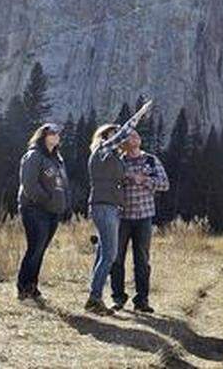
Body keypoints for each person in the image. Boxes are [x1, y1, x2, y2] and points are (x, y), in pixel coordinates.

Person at [85, 100, 152, 315]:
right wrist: (139, 115)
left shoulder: (112, 158)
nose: (119, 138)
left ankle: (94, 296)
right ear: (106, 137)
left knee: (104, 253)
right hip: (104, 207)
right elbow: (124, 132)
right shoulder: (103, 151)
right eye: (113, 134)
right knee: (110, 255)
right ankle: (95, 299)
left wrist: (135, 177)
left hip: (111, 208)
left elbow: (122, 176)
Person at [110, 128, 169, 313]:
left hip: (144, 217)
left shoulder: (151, 160)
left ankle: (141, 300)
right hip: (121, 217)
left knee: (142, 260)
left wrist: (144, 181)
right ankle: (118, 298)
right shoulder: (119, 162)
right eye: (129, 136)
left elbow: (165, 184)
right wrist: (129, 178)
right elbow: (111, 183)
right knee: (116, 258)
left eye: (136, 134)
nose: (134, 137)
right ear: (123, 142)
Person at [16, 122, 70, 302]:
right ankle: (24, 288)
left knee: (40, 250)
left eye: (58, 133)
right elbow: (29, 184)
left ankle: (33, 286)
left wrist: (61, 203)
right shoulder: (34, 155)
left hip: (53, 211)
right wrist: (46, 199)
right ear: (42, 136)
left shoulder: (57, 159)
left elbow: (61, 185)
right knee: (35, 248)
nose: (56, 135)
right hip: (35, 209)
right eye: (51, 132)